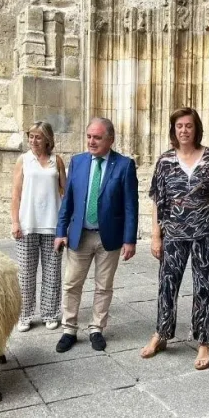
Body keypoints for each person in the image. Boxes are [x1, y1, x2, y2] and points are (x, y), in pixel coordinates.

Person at [140, 107, 209, 370]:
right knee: (167, 285)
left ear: (196, 129)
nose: (184, 130)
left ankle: (204, 340)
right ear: (174, 130)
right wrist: (155, 236)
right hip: (174, 233)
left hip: (208, 233)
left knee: (205, 286)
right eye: (179, 126)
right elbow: (158, 201)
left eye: (189, 126)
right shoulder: (164, 162)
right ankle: (161, 333)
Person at [54, 117, 138, 352]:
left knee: (103, 286)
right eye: (89, 136)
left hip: (108, 237)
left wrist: (129, 239)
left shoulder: (124, 165)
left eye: (97, 137)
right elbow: (67, 201)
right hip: (79, 235)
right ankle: (69, 329)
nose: (91, 141)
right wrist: (61, 231)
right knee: (72, 283)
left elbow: (131, 205)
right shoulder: (78, 162)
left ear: (110, 139)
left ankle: (96, 328)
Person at [11, 121, 67, 332]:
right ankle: (24, 315)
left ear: (47, 140)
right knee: (25, 273)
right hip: (28, 224)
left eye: (38, 137)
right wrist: (15, 221)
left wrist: (65, 225)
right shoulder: (23, 160)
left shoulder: (57, 161)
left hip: (53, 225)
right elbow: (16, 194)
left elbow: (65, 192)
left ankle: (50, 313)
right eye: (31, 136)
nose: (33, 141)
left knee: (52, 273)